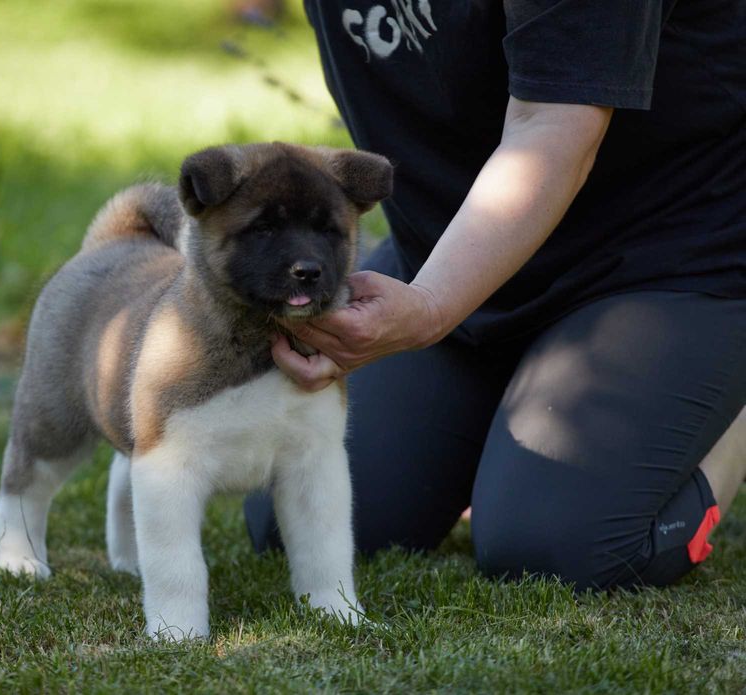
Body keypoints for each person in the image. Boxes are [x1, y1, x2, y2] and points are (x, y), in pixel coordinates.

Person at [244, 0, 746, 591]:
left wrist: (430, 304)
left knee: (554, 550)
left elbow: (552, 124)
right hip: (455, 250)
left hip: (669, 249)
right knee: (293, 516)